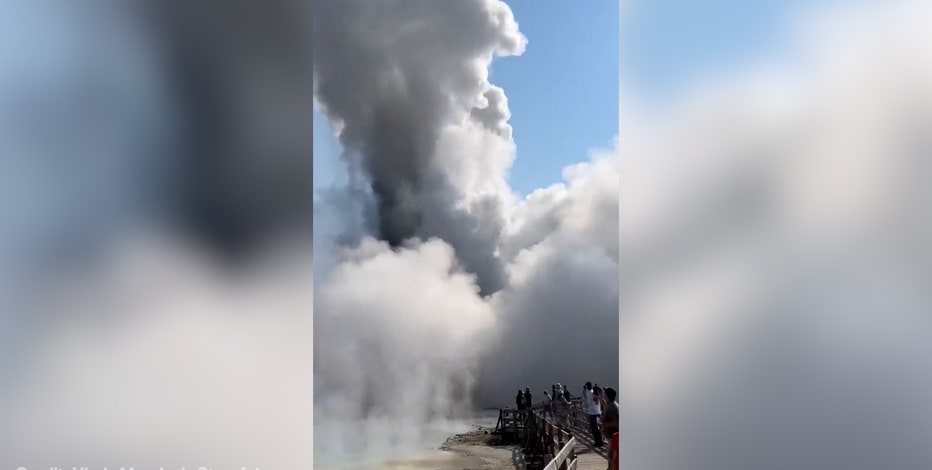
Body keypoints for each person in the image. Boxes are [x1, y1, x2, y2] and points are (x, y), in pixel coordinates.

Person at [583, 382, 604, 447]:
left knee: (595, 428)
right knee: (596, 428)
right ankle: (599, 441)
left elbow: (590, 400)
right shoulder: (592, 392)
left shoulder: (590, 393)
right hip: (597, 412)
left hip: (593, 413)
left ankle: (598, 442)